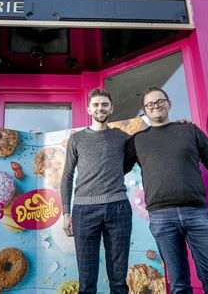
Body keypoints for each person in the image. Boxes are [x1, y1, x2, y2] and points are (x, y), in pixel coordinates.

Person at [125, 87, 208, 294]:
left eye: (160, 101)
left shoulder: (189, 130)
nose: (156, 106)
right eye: (150, 104)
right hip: (161, 218)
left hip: (198, 213)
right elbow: (116, 168)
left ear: (169, 104)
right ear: (144, 111)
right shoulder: (137, 140)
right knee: (179, 285)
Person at [61, 88, 132, 294]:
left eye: (104, 104)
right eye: (96, 105)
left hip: (118, 208)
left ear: (112, 108)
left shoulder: (123, 138)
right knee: (87, 281)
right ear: (89, 110)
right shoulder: (77, 139)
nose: (100, 108)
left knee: (119, 280)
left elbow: (127, 163)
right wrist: (66, 213)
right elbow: (66, 176)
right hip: (84, 211)